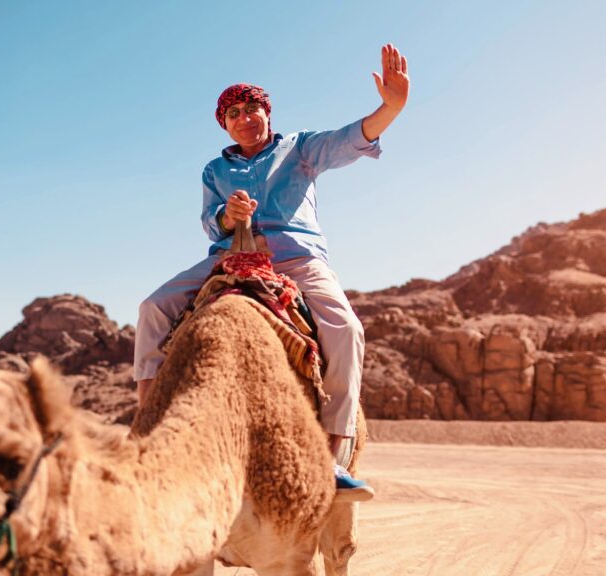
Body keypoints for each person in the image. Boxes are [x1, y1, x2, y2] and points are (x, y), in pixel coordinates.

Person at [135, 43, 410, 500]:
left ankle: (334, 456)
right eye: (234, 113)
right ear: (224, 123)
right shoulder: (214, 169)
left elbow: (350, 138)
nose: (244, 118)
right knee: (152, 308)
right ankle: (147, 426)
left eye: (252, 109)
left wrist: (391, 107)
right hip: (226, 258)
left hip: (295, 258)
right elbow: (208, 220)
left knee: (345, 329)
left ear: (267, 113)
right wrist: (228, 215)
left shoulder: (299, 149)